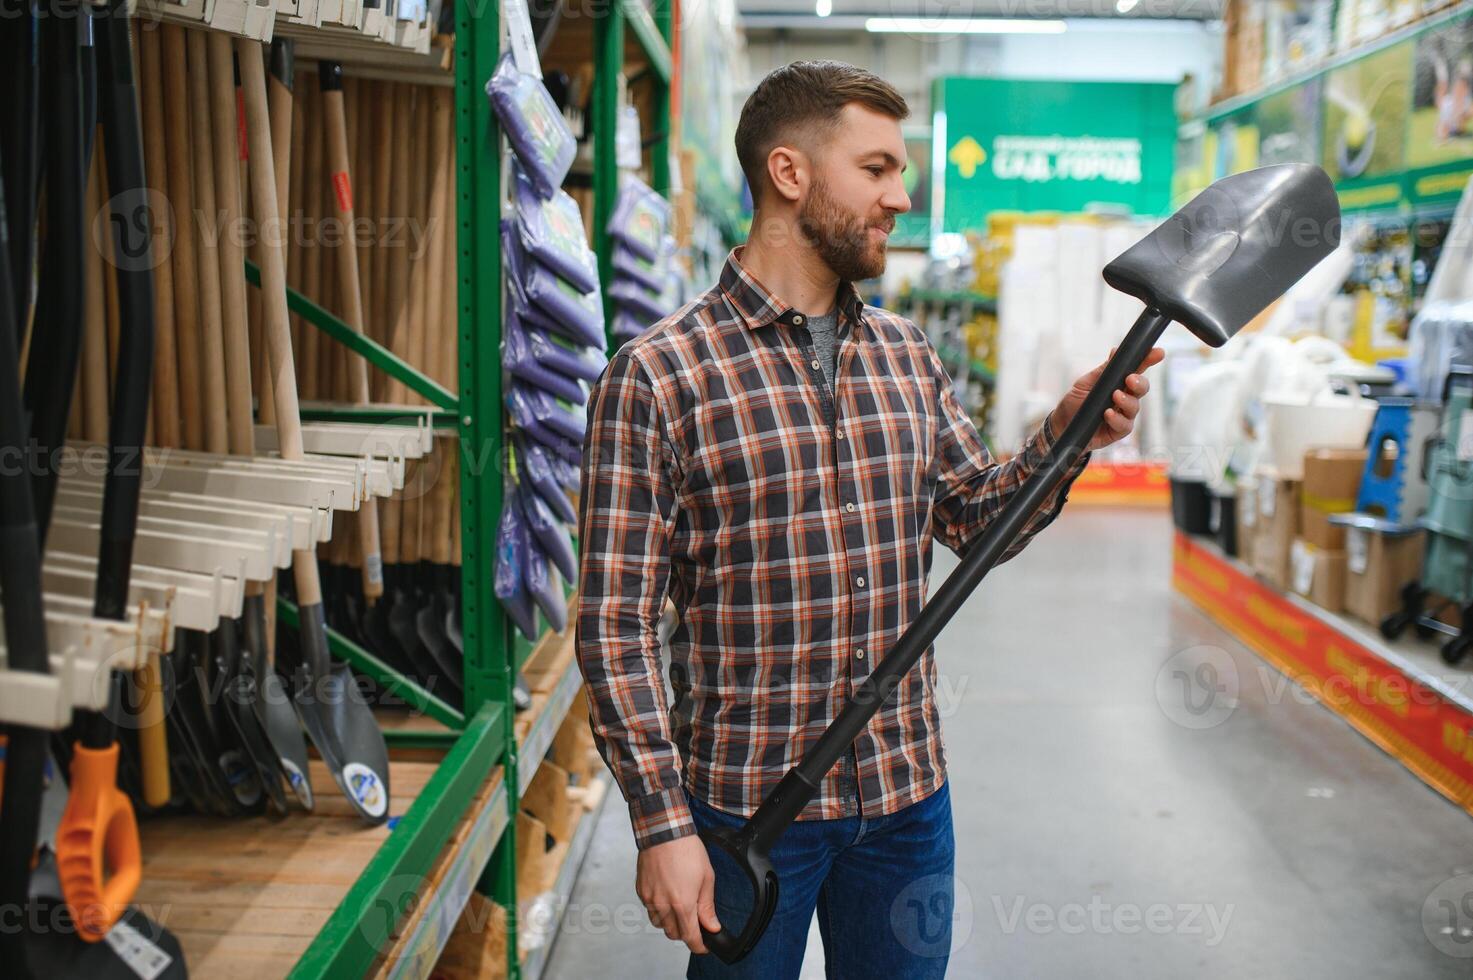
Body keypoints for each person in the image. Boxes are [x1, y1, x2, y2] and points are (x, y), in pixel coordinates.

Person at [574, 60, 1162, 979]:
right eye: (878, 168)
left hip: (904, 800)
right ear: (790, 174)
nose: (901, 196)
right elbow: (614, 624)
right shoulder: (656, 377)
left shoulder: (904, 355)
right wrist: (660, 824)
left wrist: (1065, 432)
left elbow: (975, 519)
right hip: (745, 809)